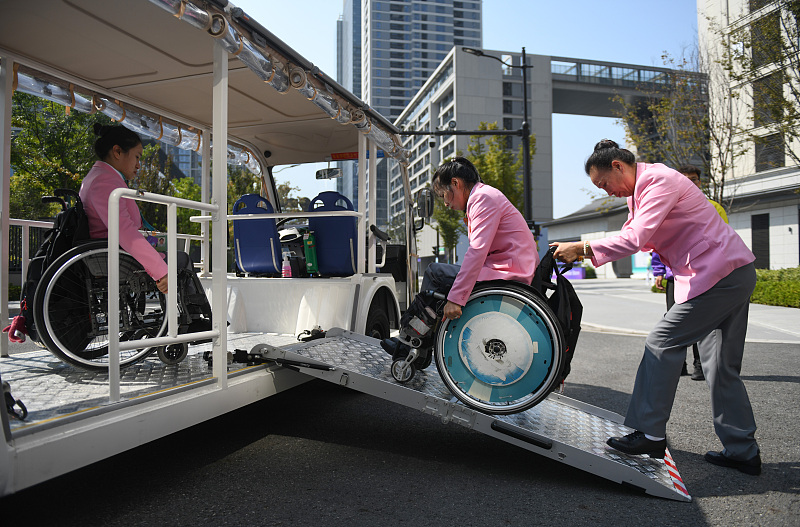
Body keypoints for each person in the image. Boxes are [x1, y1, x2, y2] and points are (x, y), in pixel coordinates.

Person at [552, 140, 761, 476]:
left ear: (619, 166)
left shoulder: (659, 181)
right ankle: (742, 450)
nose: (607, 192)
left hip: (718, 276)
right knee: (719, 365)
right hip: (729, 273)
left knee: (662, 341)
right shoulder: (642, 190)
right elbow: (636, 234)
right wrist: (582, 249)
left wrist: (582, 246)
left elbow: (634, 240)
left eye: (604, 183)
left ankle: (650, 434)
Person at [381, 156, 539, 361]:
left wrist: (456, 298)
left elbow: (477, 251)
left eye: (443, 195)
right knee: (438, 286)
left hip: (508, 273)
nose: (445, 203)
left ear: (456, 183)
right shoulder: (484, 196)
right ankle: (417, 343)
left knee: (435, 273)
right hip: (508, 269)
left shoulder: (483, 198)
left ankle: (413, 346)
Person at [80, 123, 212, 338]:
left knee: (178, 258)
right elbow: (126, 233)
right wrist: (161, 270)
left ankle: (193, 318)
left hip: (107, 253)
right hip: (114, 257)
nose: (139, 164)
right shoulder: (106, 182)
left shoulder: (99, 178)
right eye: (138, 157)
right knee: (182, 259)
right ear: (117, 152)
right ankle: (195, 318)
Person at [651, 164, 729, 381]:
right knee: (674, 322)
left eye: (693, 179)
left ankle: (700, 364)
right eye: (684, 179)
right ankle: (678, 365)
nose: (689, 182)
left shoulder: (714, 207)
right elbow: (659, 241)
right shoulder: (668, 207)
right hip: (674, 276)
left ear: (700, 182)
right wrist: (658, 270)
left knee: (702, 321)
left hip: (702, 276)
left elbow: (722, 242)